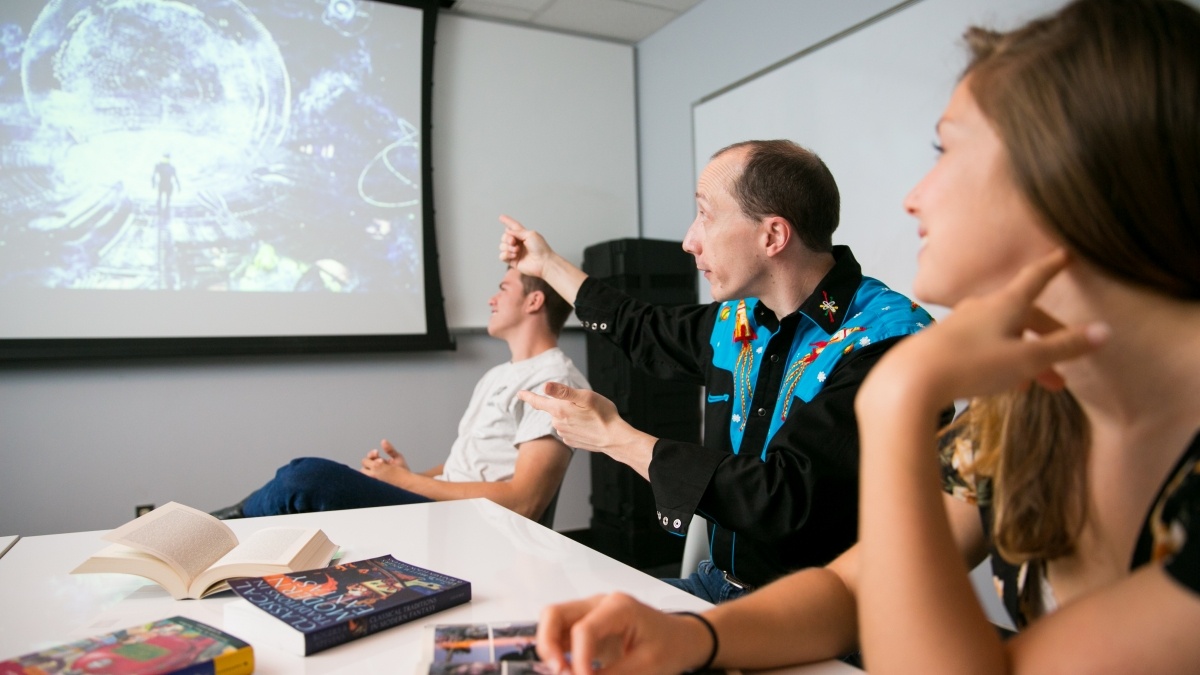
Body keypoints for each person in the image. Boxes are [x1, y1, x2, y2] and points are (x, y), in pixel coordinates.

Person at [532, 0, 1200, 672]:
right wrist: (692, 638)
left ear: (1072, 168)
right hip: (747, 597)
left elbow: (793, 511)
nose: (914, 194)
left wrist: (900, 396)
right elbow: (850, 586)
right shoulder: (1024, 414)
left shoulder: (894, 342)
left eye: (947, 147)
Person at [499, 139, 935, 602]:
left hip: (822, 611)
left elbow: (780, 497)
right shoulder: (740, 321)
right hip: (718, 584)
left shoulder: (885, 342)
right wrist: (545, 264)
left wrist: (615, 437)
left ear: (772, 236)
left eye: (705, 215)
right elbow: (641, 327)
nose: (690, 240)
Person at [210, 266, 589, 524]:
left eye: (503, 289)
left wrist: (406, 484)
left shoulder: (554, 381)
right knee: (308, 477)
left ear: (534, 302)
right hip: (447, 507)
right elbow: (467, 466)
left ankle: (217, 531)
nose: (491, 299)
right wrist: (404, 476)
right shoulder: (498, 374)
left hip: (474, 525)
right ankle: (216, 532)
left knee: (308, 477)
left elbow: (524, 502)